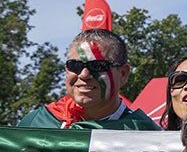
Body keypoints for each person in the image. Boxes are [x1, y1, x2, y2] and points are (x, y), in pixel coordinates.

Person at [17, 29, 158, 130]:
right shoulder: (36, 123)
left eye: (97, 66)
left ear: (123, 74)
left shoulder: (144, 133)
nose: (84, 74)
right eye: (75, 65)